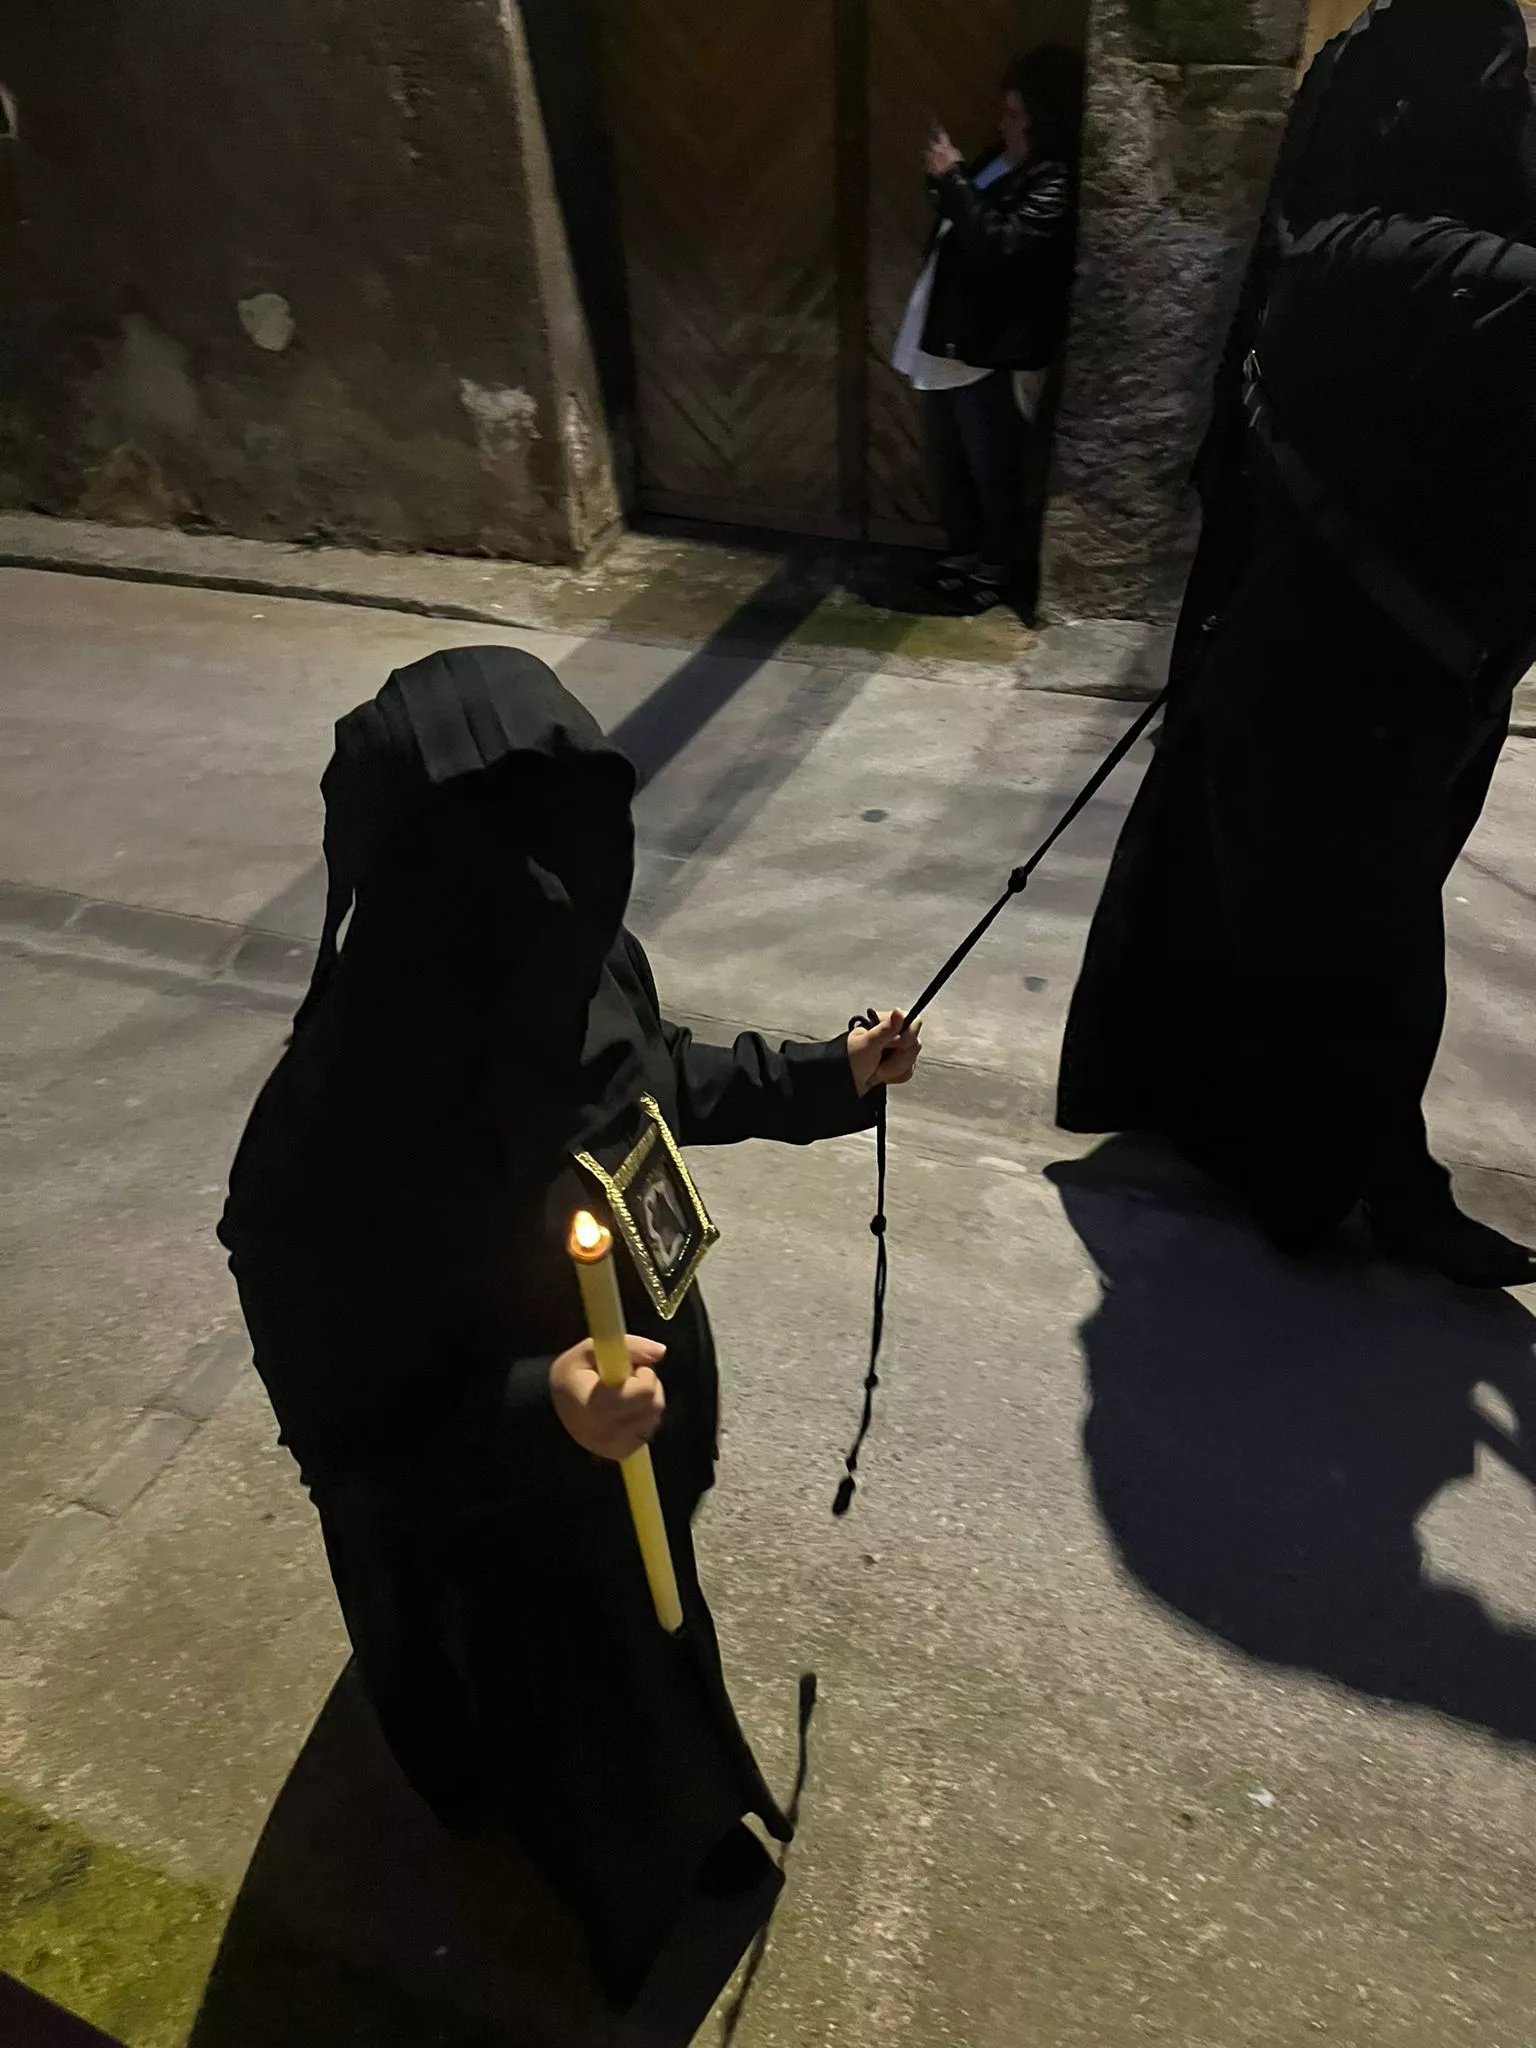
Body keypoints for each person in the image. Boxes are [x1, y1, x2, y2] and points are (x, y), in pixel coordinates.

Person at [216, 646, 921, 2019]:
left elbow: (655, 1083)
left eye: (562, 846)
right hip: (500, 1509)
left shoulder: (575, 957)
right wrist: (549, 1401)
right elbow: (349, 1422)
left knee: (658, 1630)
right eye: (489, 858)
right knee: (572, 1719)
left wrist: (827, 1076)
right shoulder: (330, 1133)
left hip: (634, 1428)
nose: (541, 894)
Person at [1057, 0, 1536, 1289]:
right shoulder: (1423, 270)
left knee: (1262, 921)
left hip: (1282, 660)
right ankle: (1361, 1189)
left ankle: (1242, 1130)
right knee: (1370, 961)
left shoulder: (1313, 251)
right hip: (1368, 693)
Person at [893, 46, 1082, 620]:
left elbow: (1004, 245)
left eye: (1014, 112)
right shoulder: (1001, 159)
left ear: (1043, 116)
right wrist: (947, 179)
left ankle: (1000, 568)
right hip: (950, 337)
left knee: (994, 462)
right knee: (951, 461)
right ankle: (972, 553)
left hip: (993, 347)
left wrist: (951, 178)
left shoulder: (1053, 180)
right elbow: (960, 207)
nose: (1004, 121)